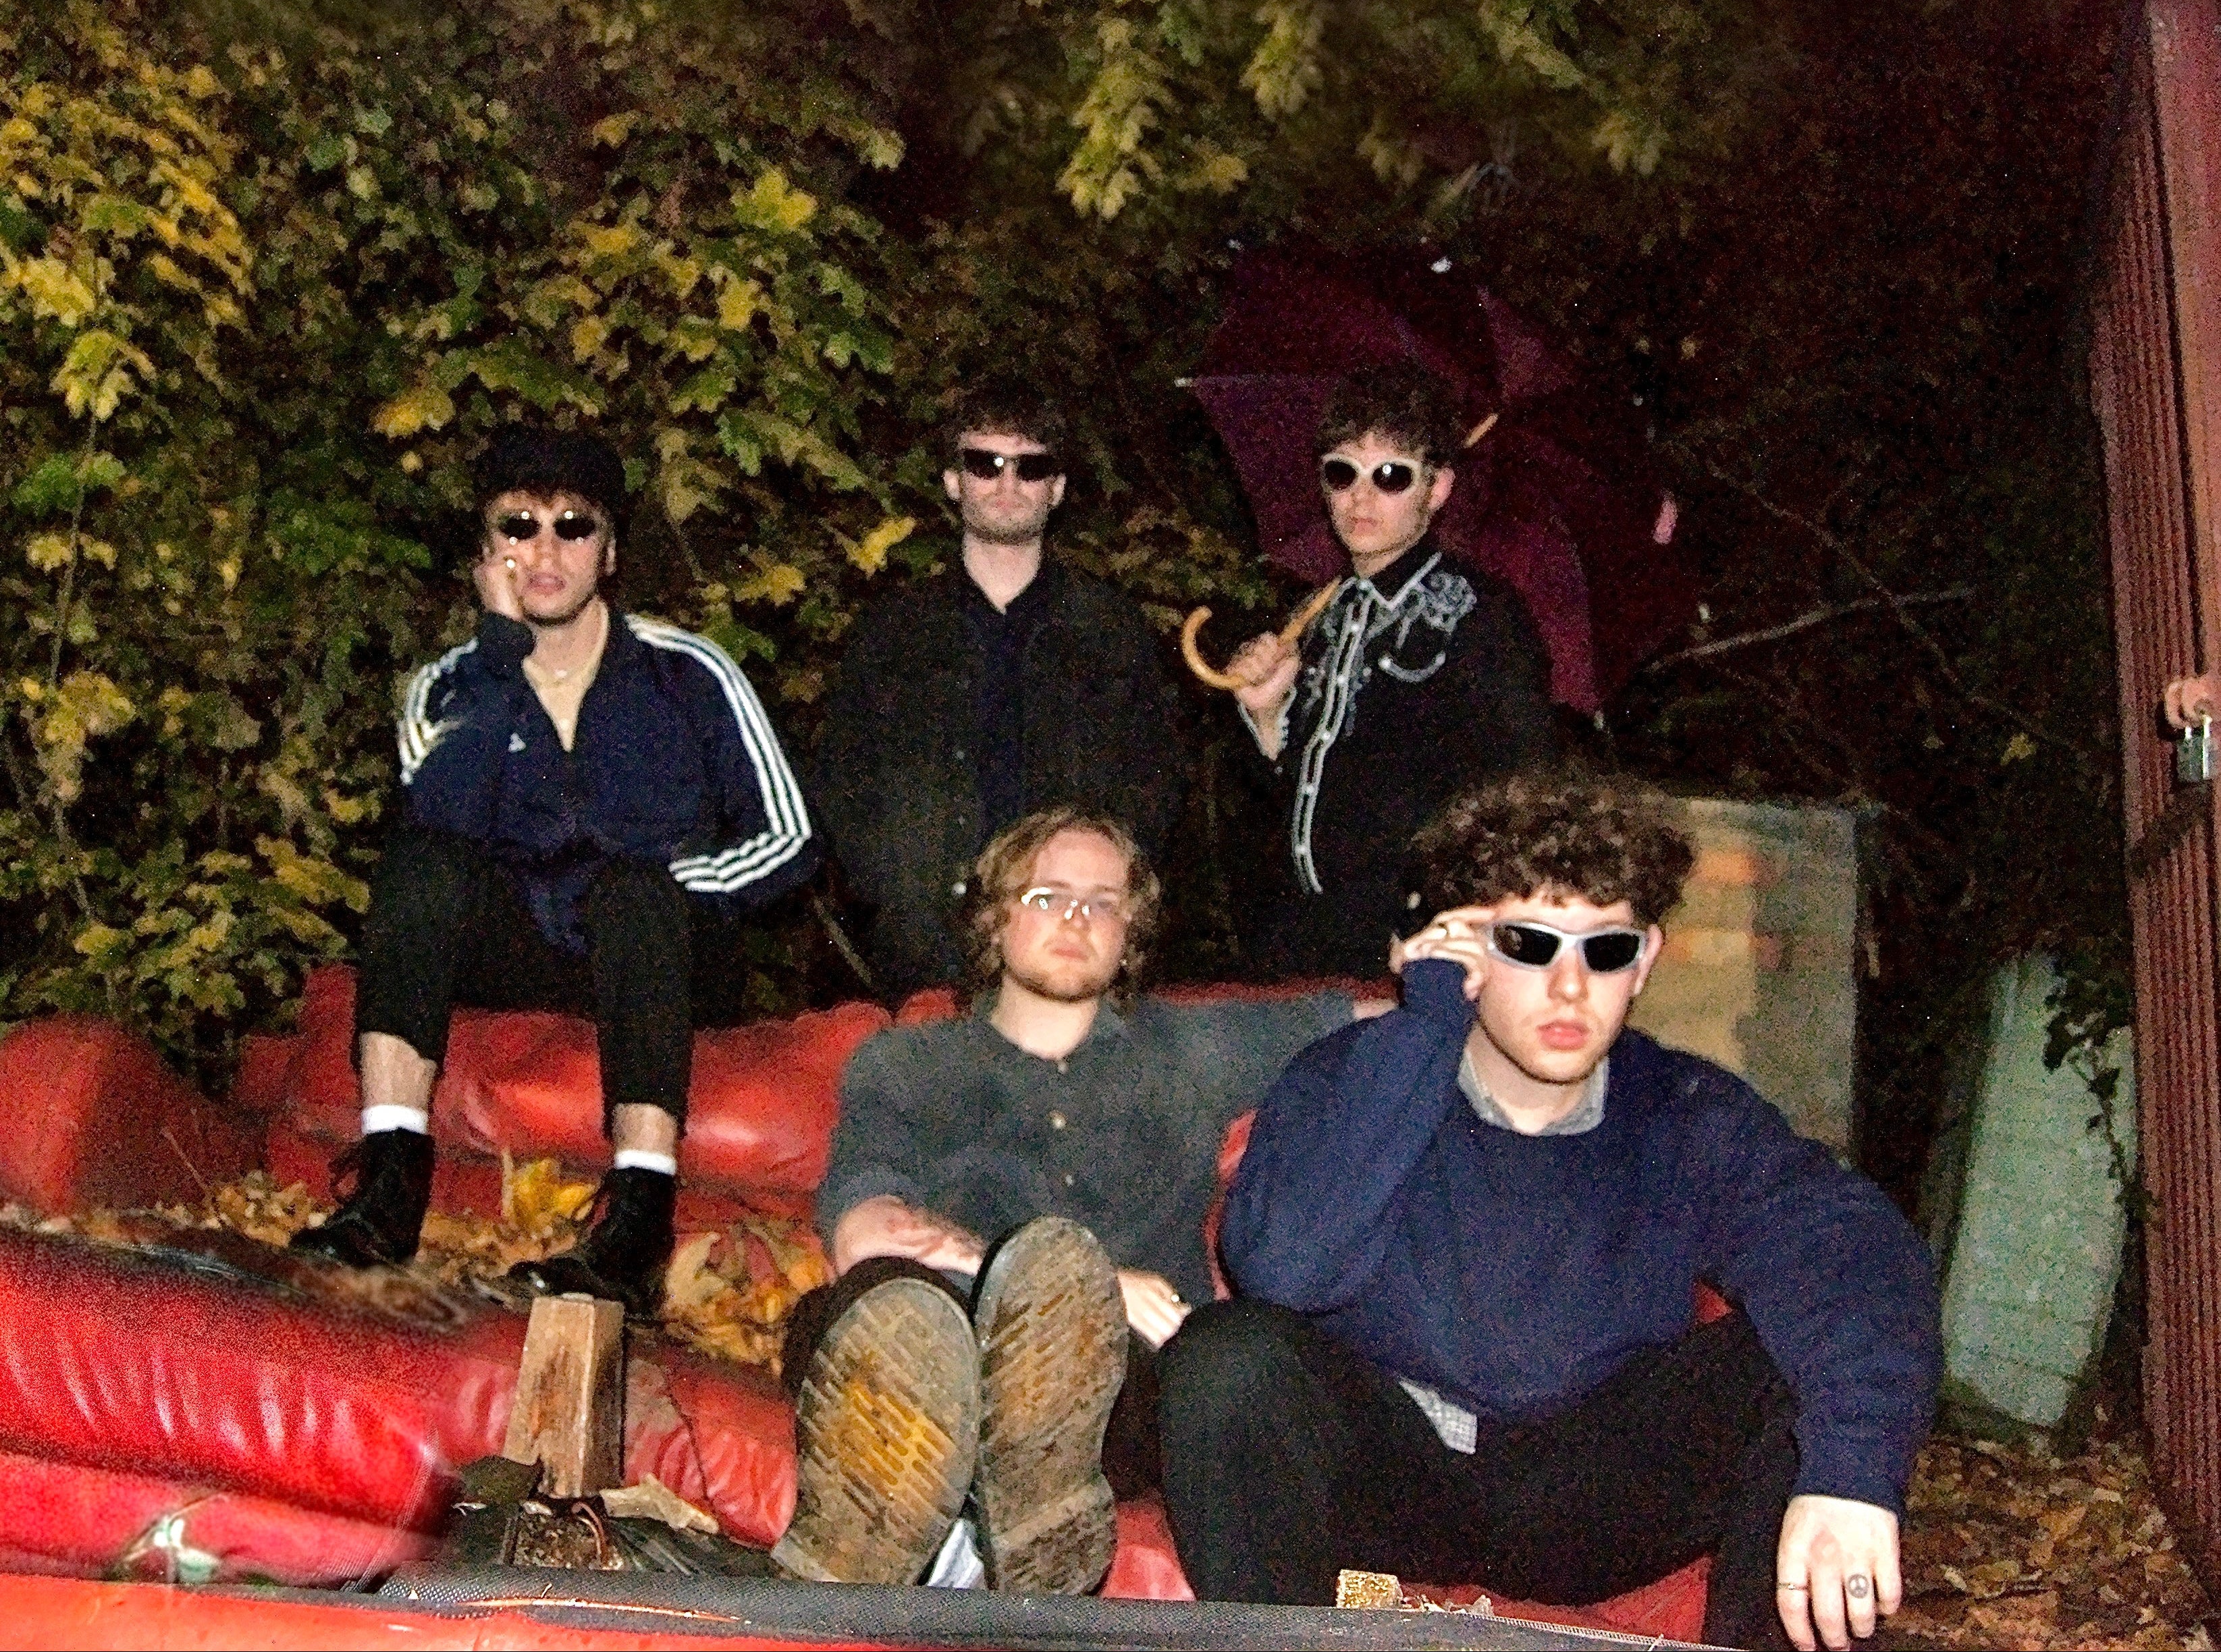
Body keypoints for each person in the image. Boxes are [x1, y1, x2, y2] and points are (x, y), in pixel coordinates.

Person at [1158, 772, 1941, 1652]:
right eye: (1529, 943)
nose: (1570, 986)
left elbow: (1854, 1250)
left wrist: (1851, 1470)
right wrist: (1423, 1026)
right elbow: (1286, 1270)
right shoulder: (1352, 1075)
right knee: (1227, 1357)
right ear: (1463, 951)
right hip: (1391, 1473)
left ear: (1642, 960)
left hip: (1592, 1489)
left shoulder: (1680, 1107)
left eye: (1603, 950)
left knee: (1792, 1353)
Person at [771, 806, 1391, 1595]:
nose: (1076, 918)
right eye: (1047, 896)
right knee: (883, 1311)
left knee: (1076, 1364)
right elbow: (864, 1231)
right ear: (994, 920)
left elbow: (1375, 1016)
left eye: (1102, 902)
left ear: (1129, 933)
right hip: (928, 1340)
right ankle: (961, 1530)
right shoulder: (907, 1063)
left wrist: (1470, 960)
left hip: (1111, 1379)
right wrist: (1078, 1279)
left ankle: (967, 1535)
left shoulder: (1188, 1049)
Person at [290, 425, 819, 1314]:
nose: (544, 547)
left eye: (573, 525)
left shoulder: (688, 672)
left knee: (634, 889)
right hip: (525, 945)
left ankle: (638, 1225)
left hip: (662, 954)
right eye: (519, 523)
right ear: (487, 551)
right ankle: (387, 1191)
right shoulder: (449, 685)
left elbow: (790, 837)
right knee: (420, 862)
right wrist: (499, 657)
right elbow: (440, 820)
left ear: (608, 552)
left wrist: (679, 890)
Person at [813, 377, 1182, 1000]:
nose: (1007, 484)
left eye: (1030, 467)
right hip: (926, 947)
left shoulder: (1109, 630)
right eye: (985, 464)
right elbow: (843, 781)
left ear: (1057, 488)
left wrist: (1097, 897)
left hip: (1072, 945)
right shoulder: (895, 631)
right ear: (954, 481)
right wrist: (898, 885)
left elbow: (1154, 781)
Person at [1224, 362, 1555, 978]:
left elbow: (1521, 793)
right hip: (1296, 948)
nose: (1361, 496)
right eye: (1342, 472)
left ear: (1438, 488)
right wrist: (1267, 717)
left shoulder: (1482, 616)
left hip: (1413, 954)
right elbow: (1275, 804)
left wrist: (1450, 928)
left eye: (1392, 475)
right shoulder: (1315, 616)